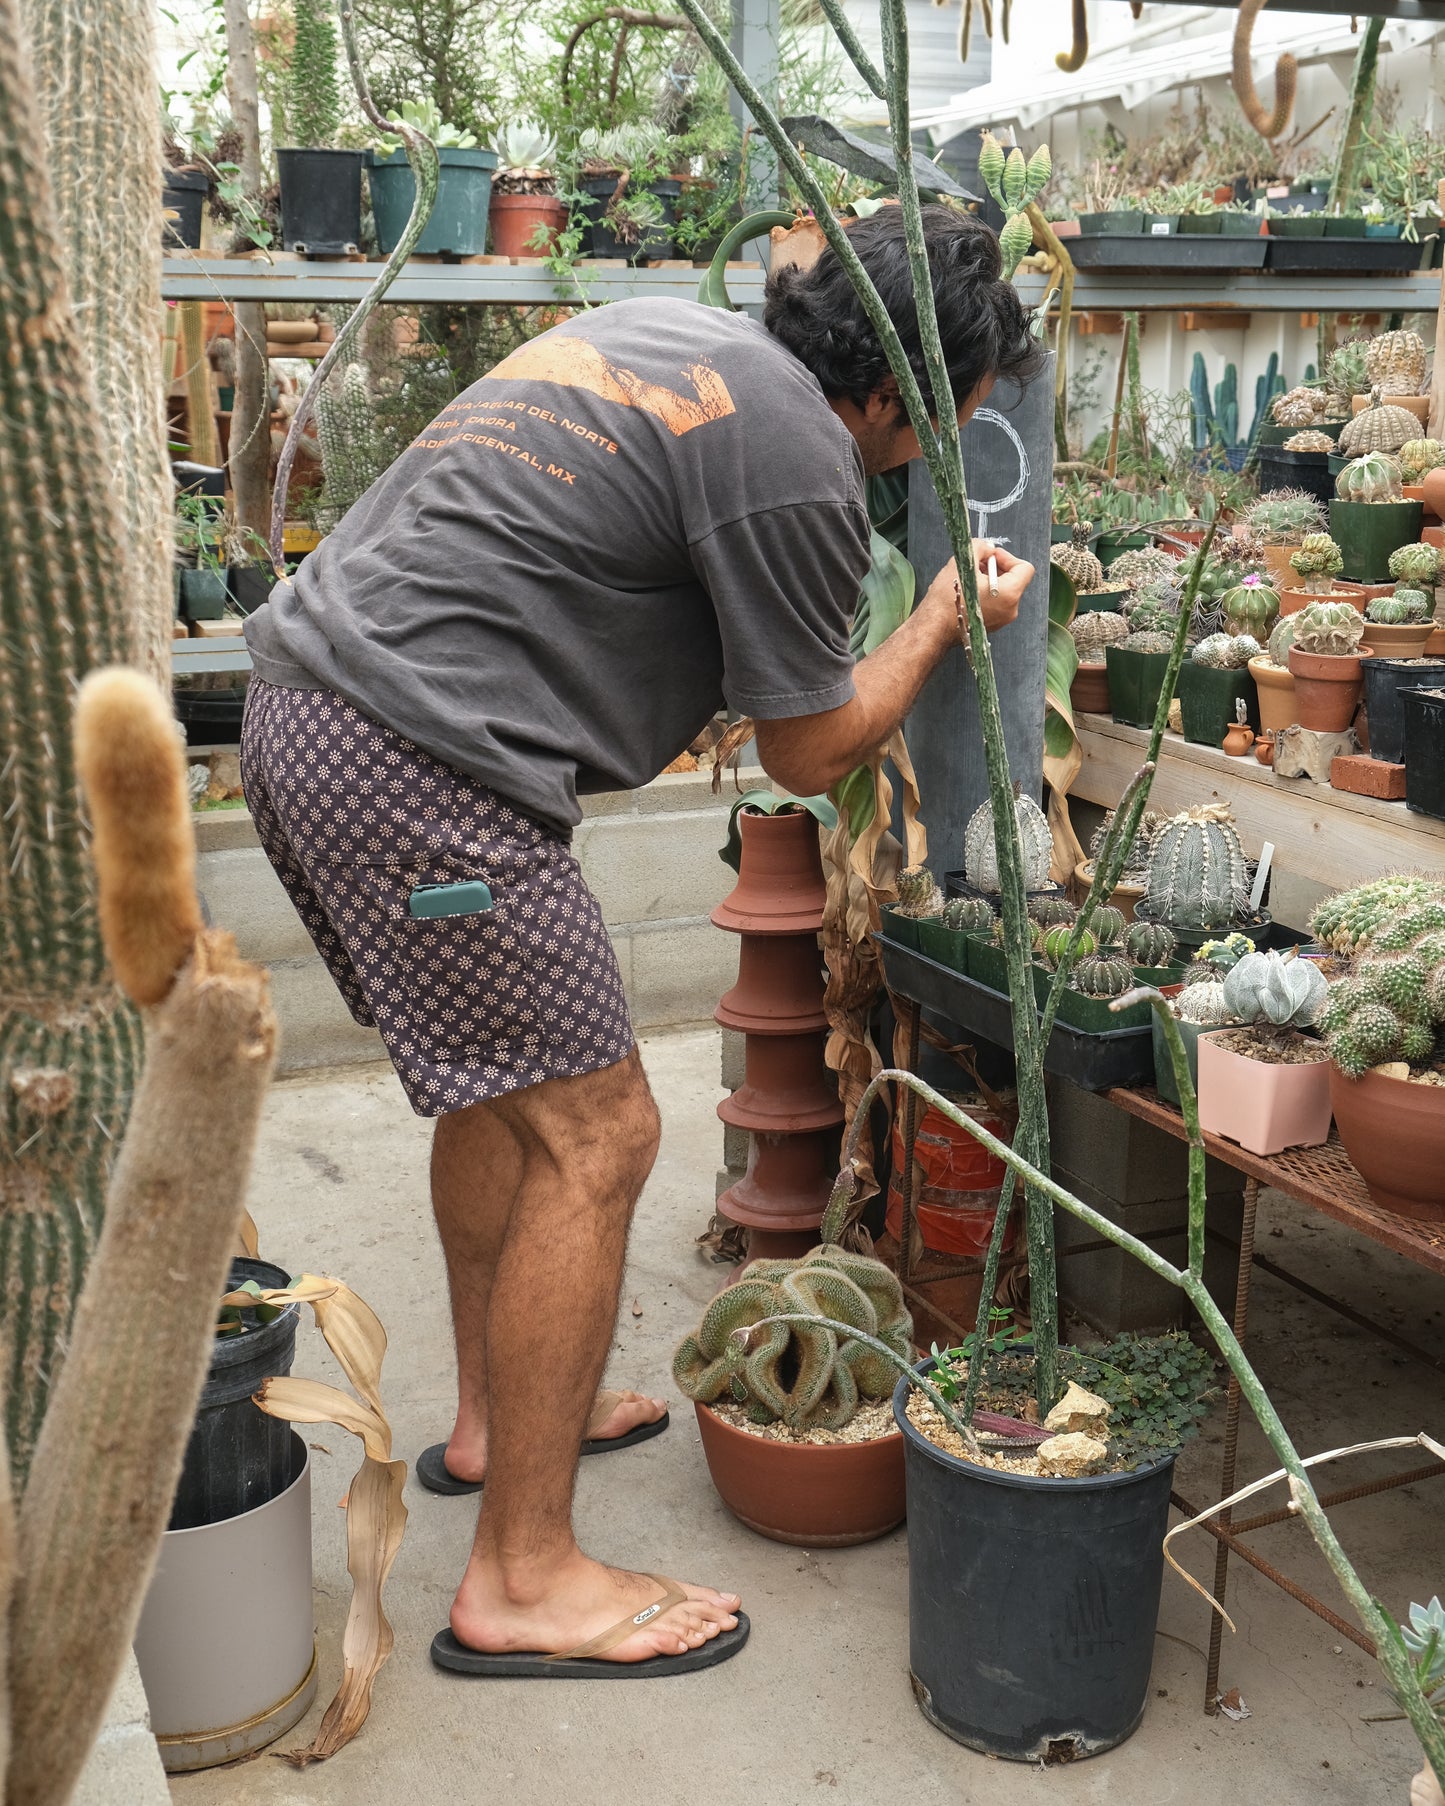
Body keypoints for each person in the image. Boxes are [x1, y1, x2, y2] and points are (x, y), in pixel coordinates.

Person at [239, 203, 1042, 1678]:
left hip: (316, 712)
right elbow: (809, 750)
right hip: (417, 760)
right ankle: (524, 1576)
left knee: (512, 1092)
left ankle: (497, 1425)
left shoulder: (682, 341)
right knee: (597, 1133)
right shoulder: (801, 453)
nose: (943, 441)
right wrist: (939, 615)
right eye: (955, 409)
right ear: (905, 389)